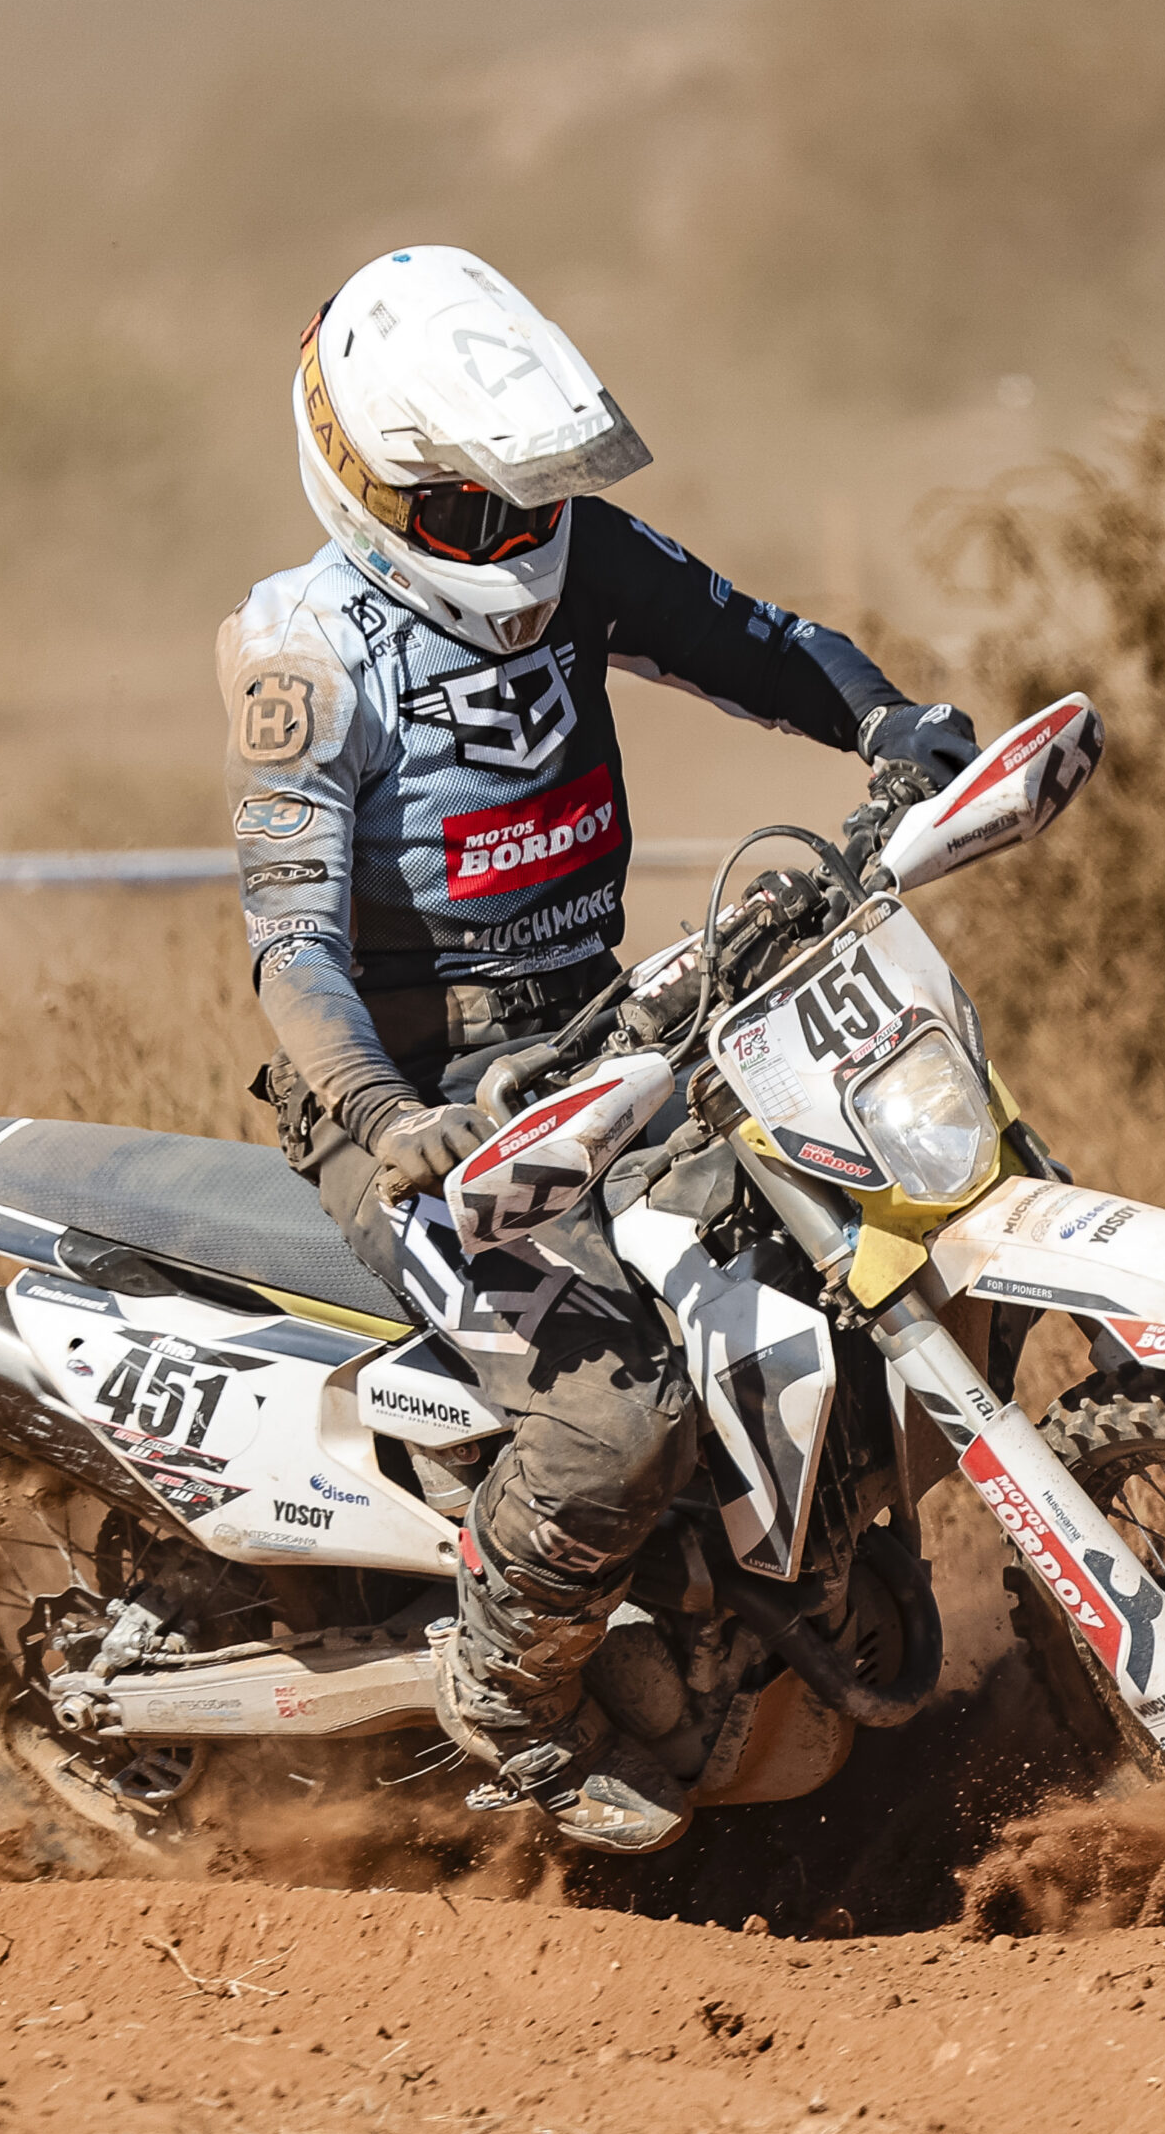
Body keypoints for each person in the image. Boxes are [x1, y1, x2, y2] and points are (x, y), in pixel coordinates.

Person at [220, 245, 978, 1854]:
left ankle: (784, 1592)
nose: (511, 538)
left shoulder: (582, 556)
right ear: (364, 475)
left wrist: (889, 724)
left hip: (601, 1034)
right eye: (469, 508)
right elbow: (292, 948)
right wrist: (384, 1116)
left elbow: (755, 640)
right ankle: (508, 1692)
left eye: (530, 500)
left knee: (840, 1240)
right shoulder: (305, 651)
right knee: (614, 1414)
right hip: (406, 1102)